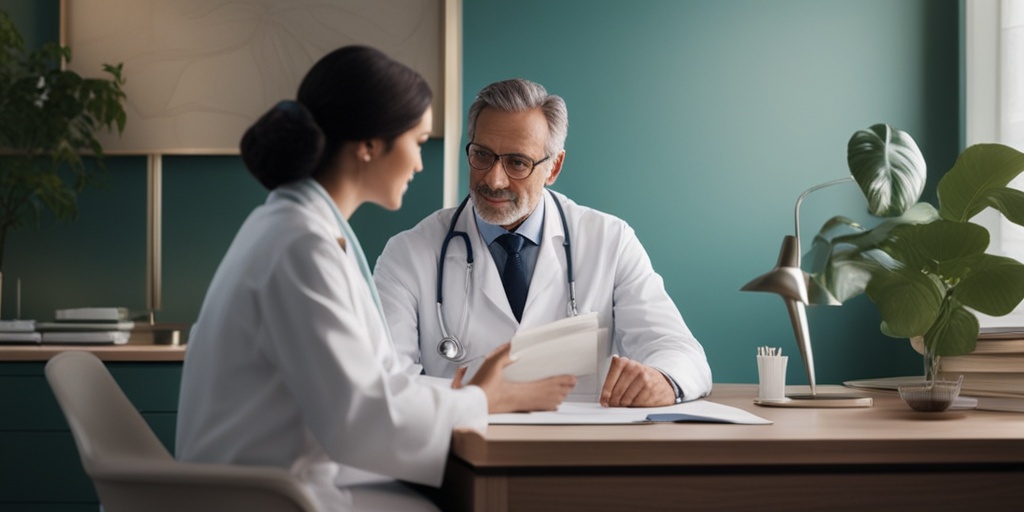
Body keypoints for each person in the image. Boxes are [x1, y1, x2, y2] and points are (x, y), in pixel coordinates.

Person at [175, 48, 575, 512]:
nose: (420, 164)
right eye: (419, 141)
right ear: (369, 145)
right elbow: (361, 420)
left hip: (288, 480)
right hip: (274, 496)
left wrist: (467, 395)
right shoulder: (301, 246)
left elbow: (367, 391)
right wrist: (481, 400)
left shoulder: (298, 227)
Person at [374, 78, 713, 407]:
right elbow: (386, 384)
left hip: (575, 455)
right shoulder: (408, 254)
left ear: (554, 168)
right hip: (462, 450)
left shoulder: (609, 241)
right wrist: (474, 399)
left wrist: (663, 380)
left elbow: (679, 350)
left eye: (517, 162)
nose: (494, 179)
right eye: (482, 155)